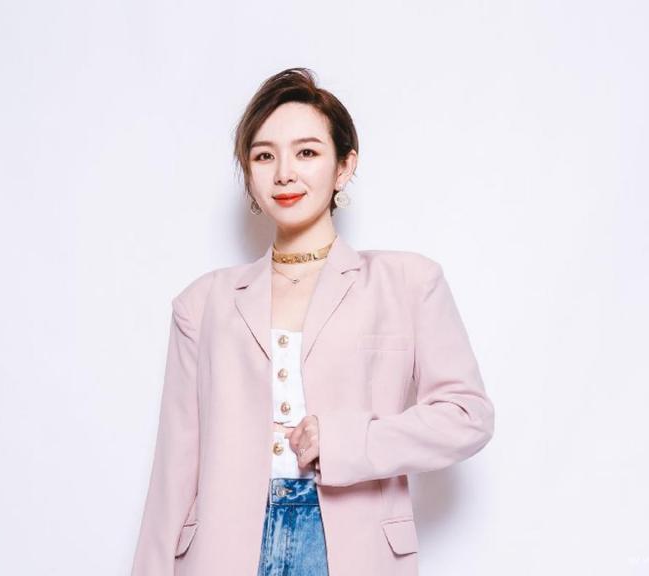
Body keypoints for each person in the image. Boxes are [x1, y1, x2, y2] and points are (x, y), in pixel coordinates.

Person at [131, 67, 495, 576]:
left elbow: (466, 416)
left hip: (356, 545)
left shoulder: (407, 283)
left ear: (345, 166)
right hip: (225, 548)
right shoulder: (202, 304)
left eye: (306, 152)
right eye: (264, 156)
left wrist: (346, 441)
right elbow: (174, 468)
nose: (284, 173)